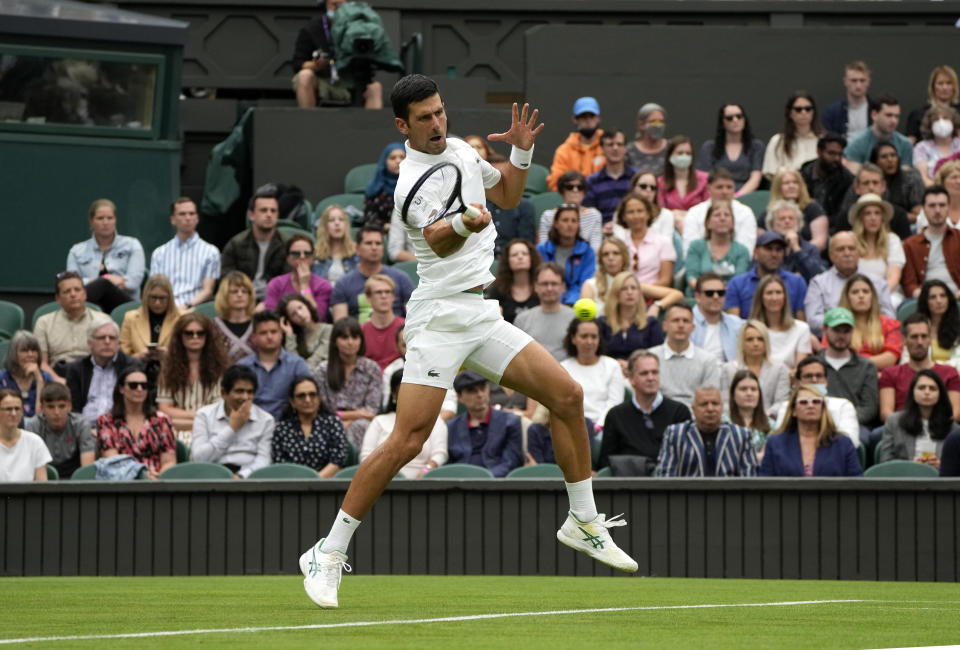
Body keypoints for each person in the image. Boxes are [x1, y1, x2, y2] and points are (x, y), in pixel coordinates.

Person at [302, 75, 637, 611]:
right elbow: (435, 236)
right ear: (402, 126)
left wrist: (522, 151)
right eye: (424, 118)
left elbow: (505, 192)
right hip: (438, 318)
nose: (437, 124)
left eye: (439, 112)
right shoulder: (410, 182)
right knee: (407, 441)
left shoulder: (458, 149)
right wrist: (463, 219)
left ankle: (583, 520)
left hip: (480, 311)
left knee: (568, 398)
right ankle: (328, 549)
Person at [598, 350, 690, 474]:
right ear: (631, 379)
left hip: (670, 485)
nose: (651, 378)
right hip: (627, 486)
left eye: (655, 372)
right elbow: (606, 462)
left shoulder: (679, 412)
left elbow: (686, 458)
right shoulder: (616, 415)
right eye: (644, 373)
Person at [291, 0, 382, 109]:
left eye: (342, 5)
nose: (338, 9)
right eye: (334, 5)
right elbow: (298, 63)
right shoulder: (312, 28)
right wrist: (316, 65)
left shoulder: (360, 27)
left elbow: (372, 63)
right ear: (325, 5)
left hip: (350, 81)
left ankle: (371, 125)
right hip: (323, 79)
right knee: (304, 76)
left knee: (375, 87)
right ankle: (307, 121)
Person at [804, 231, 895, 336]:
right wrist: (844, 325)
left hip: (872, 339)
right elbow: (813, 321)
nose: (847, 253)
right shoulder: (818, 283)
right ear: (831, 255)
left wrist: (862, 327)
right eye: (841, 249)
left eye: (851, 248)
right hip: (835, 342)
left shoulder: (877, 282)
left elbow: (890, 317)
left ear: (858, 253)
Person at [361, 368, 447, 478]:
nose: (410, 397)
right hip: (383, 481)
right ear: (393, 394)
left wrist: (426, 471)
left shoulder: (435, 420)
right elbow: (365, 457)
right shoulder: (379, 421)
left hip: (424, 483)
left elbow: (440, 455)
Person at [759, 385, 862, 477]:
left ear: (822, 409)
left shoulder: (843, 443)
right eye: (804, 402)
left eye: (816, 401)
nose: (810, 405)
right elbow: (765, 483)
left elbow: (856, 484)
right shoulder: (775, 443)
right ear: (794, 411)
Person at [191, 364, 274, 478]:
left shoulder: (266, 420)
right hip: (211, 478)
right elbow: (198, 458)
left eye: (250, 392)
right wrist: (232, 429)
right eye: (239, 391)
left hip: (249, 481)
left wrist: (241, 476)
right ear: (223, 393)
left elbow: (264, 460)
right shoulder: (204, 415)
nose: (245, 397)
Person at [656, 385, 759, 477]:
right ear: (693, 409)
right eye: (704, 404)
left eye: (715, 403)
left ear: (722, 408)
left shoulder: (741, 436)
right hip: (687, 497)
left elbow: (749, 481)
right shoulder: (675, 434)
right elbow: (665, 479)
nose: (710, 409)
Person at [96, 364, 177, 479]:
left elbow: (169, 461)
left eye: (144, 386)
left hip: (157, 481)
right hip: (121, 482)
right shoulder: (106, 421)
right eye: (133, 385)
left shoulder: (162, 420)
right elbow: (112, 460)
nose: (139, 389)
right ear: (121, 389)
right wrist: (141, 476)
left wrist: (158, 478)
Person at [66, 198, 145, 312]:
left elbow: (133, 282)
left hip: (125, 304)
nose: (105, 222)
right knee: (100, 285)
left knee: (103, 284)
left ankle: (66, 310)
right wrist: (107, 279)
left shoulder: (132, 245)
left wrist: (102, 280)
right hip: (90, 304)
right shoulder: (77, 250)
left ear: (115, 220)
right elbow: (71, 284)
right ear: (91, 221)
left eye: (109, 218)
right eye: (100, 218)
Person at [156, 312, 228, 439]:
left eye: (200, 333)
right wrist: (197, 417)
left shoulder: (219, 368)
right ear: (180, 337)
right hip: (175, 431)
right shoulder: (168, 368)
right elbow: (165, 409)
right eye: (189, 333)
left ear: (207, 336)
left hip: (209, 432)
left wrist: (183, 419)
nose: (195, 337)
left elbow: (217, 410)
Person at [878, 313, 960, 422]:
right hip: (901, 429)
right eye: (914, 337)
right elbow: (886, 413)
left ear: (930, 339)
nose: (919, 342)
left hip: (941, 429)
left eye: (924, 336)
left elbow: (956, 413)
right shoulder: (891, 373)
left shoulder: (949, 373)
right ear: (904, 340)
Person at [314, 317, 380, 449]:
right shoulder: (322, 370)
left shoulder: (372, 369)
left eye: (355, 337)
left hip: (363, 423)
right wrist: (353, 415)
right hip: (329, 422)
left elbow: (371, 411)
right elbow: (321, 410)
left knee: (359, 426)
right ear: (335, 341)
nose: (350, 342)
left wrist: (348, 418)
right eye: (344, 338)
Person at [34, 271, 113, 382]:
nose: (73, 294)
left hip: (94, 376)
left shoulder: (103, 321)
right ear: (58, 298)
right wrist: (58, 380)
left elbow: (110, 359)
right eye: (67, 291)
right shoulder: (44, 323)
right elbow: (41, 363)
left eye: (77, 290)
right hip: (57, 378)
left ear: (85, 294)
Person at [465, 135, 535, 257]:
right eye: (492, 175)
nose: (497, 181)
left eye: (501, 175)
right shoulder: (470, 201)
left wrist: (523, 150)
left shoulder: (524, 205)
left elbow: (527, 243)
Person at [237, 311, 312, 421]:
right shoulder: (242, 367)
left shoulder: (297, 365)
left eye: (274, 332)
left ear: (281, 333)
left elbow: (307, 399)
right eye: (263, 333)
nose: (269, 337)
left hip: (289, 426)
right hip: (250, 425)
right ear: (254, 337)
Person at [445, 370, 522, 476]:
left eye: (483, 388)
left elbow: (512, 462)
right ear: (459, 397)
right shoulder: (451, 427)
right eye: (472, 390)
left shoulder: (509, 422)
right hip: (459, 485)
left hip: (497, 485)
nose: (480, 394)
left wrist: (483, 478)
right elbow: (445, 464)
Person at [329, 226, 413, 323]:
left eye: (378, 243)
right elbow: (340, 326)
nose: (374, 247)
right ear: (357, 248)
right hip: (358, 336)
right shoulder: (343, 284)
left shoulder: (401, 279)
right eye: (368, 243)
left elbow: (414, 318)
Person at [878, 369, 959, 469]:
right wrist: (911, 466)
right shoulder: (894, 422)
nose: (927, 392)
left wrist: (942, 465)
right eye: (921, 388)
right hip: (904, 479)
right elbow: (885, 462)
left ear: (940, 394)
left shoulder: (952, 427)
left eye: (932, 388)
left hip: (939, 481)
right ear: (912, 392)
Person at [148, 197, 220, 309]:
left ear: (197, 218)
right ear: (173, 219)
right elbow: (154, 288)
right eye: (182, 214)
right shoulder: (159, 253)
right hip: (164, 310)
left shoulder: (211, 252)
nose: (188, 218)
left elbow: (208, 290)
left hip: (195, 310)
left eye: (192, 214)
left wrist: (186, 306)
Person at [272, 375, 348, 477]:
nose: (307, 400)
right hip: (291, 486)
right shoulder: (281, 429)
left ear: (319, 398)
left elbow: (338, 460)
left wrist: (314, 482)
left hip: (327, 485)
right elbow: (280, 465)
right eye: (301, 396)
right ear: (292, 402)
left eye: (312, 395)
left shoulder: (333, 423)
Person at [220, 188, 289, 302]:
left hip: (276, 300)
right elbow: (226, 279)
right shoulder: (236, 244)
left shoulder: (287, 244)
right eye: (263, 210)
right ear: (251, 215)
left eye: (273, 211)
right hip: (242, 298)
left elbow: (288, 281)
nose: (269, 215)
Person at [815, 307, 879, 427]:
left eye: (846, 331)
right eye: (836, 330)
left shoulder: (866, 366)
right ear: (824, 330)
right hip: (817, 423)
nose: (841, 335)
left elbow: (869, 408)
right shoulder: (813, 365)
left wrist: (843, 421)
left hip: (856, 424)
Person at [65, 320, 135, 426]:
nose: (107, 342)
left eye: (112, 338)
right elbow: (73, 408)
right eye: (101, 338)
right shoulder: (77, 369)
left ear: (118, 343)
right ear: (89, 343)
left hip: (121, 428)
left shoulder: (131, 366)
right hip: (85, 429)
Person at [649, 303, 720, 407]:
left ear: (692, 327)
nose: (681, 325)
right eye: (675, 320)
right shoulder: (650, 358)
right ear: (665, 326)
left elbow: (710, 399)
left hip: (695, 419)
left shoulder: (707, 360)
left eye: (686, 321)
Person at [777, 358, 861, 446]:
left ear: (826, 381)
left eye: (819, 376)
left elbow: (851, 441)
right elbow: (780, 440)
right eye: (808, 376)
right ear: (797, 382)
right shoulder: (787, 406)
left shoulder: (843, 406)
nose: (814, 380)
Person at [723, 231, 806, 319]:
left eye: (779, 249)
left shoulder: (797, 282)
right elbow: (733, 324)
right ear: (755, 252)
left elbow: (801, 323)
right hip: (748, 331)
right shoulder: (737, 284)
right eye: (768, 249)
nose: (774, 254)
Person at [718, 318, 790, 413]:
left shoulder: (780, 369)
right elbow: (726, 403)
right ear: (742, 343)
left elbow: (781, 403)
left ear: (766, 343)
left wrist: (763, 419)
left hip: (769, 422)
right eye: (750, 340)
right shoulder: (729, 369)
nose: (756, 344)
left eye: (760, 339)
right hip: (736, 423)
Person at [560, 318, 624, 425]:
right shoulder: (563, 368)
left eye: (594, 337)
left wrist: (599, 426)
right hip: (572, 427)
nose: (589, 342)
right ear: (573, 339)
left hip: (605, 428)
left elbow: (614, 403)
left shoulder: (612, 366)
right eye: (584, 336)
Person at [681, 168, 758, 257]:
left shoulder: (746, 213)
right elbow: (689, 250)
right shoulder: (694, 213)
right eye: (719, 187)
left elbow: (746, 250)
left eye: (729, 187)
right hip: (701, 266)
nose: (725, 192)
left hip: (736, 266)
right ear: (709, 189)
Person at [596, 271, 668, 366]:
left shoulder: (651, 324)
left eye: (633, 288)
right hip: (609, 372)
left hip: (642, 374)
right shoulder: (602, 323)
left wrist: (630, 366)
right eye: (624, 289)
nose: (629, 292)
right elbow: (596, 355)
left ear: (639, 293)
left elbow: (657, 357)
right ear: (616, 293)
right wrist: (616, 365)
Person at [25, 383, 94, 479]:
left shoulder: (81, 424)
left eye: (61, 406)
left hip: (75, 482)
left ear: (69, 406)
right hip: (44, 479)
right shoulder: (34, 426)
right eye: (50, 407)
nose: (57, 412)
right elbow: (30, 467)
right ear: (42, 408)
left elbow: (86, 472)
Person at [119, 275, 181, 382]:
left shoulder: (182, 318)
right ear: (145, 296)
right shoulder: (131, 318)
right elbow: (123, 355)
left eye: (162, 298)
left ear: (170, 298)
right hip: (138, 373)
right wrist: (138, 357)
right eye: (153, 297)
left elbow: (191, 355)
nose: (157, 303)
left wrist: (169, 355)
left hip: (173, 375)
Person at [834, 273, 901, 372]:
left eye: (865, 291)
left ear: (872, 296)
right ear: (847, 297)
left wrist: (855, 363)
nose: (861, 296)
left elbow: (891, 357)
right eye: (855, 292)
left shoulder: (890, 324)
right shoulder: (836, 326)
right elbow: (831, 355)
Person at [903, 186, 960, 300]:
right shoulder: (910, 244)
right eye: (932, 206)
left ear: (949, 207)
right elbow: (909, 283)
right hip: (925, 301)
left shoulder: (958, 238)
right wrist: (925, 297)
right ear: (923, 209)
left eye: (942, 205)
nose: (937, 210)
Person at [684, 199, 751, 294]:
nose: (722, 218)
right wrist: (708, 293)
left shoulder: (742, 251)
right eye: (717, 215)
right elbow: (692, 276)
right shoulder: (696, 246)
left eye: (727, 215)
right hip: (698, 296)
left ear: (733, 223)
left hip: (730, 297)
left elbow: (739, 281)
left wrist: (719, 294)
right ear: (707, 223)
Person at [697, 103, 765, 195]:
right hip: (716, 196)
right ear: (722, 122)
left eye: (739, 116)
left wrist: (737, 196)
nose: (735, 120)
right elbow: (704, 178)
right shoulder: (709, 147)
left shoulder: (756, 146)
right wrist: (723, 194)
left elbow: (755, 178)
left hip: (747, 197)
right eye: (729, 118)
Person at [847, 193, 904, 304]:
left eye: (877, 213)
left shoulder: (892, 239)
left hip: (887, 294)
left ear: (882, 218)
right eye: (867, 213)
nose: (873, 218)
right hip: (855, 294)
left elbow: (893, 277)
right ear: (860, 218)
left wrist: (874, 298)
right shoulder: (850, 239)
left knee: (892, 302)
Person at [514, 263, 576, 361]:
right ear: (536, 287)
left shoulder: (575, 318)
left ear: (563, 286)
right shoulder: (522, 319)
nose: (549, 288)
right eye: (544, 284)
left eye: (554, 284)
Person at [536, 204, 596, 304]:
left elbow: (585, 284)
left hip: (576, 303)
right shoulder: (542, 250)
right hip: (547, 301)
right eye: (565, 220)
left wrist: (568, 302)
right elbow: (540, 282)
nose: (570, 225)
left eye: (574, 221)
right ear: (555, 223)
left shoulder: (587, 252)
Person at [833, 163, 912, 240]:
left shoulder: (898, 215)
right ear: (856, 188)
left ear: (883, 186)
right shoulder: (845, 217)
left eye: (875, 183)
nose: (871, 187)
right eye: (865, 183)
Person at [263, 235, 333, 317]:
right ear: (288, 258)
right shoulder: (276, 284)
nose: (302, 257)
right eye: (296, 254)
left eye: (307, 253)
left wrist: (305, 285)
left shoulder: (323, 285)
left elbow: (318, 317)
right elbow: (271, 318)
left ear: (313, 257)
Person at [546, 96, 604, 192]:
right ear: (575, 119)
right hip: (574, 198)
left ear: (598, 118)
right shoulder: (564, 151)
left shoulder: (609, 146)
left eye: (592, 116)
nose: (588, 120)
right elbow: (555, 183)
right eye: (583, 116)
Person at [843, 95, 913, 174]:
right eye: (888, 115)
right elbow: (854, 178)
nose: (894, 121)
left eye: (896, 116)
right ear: (874, 115)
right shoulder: (856, 144)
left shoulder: (905, 144)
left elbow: (905, 179)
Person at [537, 171, 602, 252]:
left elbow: (596, 249)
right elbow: (543, 248)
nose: (575, 190)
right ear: (562, 191)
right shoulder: (548, 215)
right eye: (570, 187)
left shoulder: (594, 215)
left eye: (580, 187)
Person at [766, 168, 829, 252]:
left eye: (795, 182)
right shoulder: (770, 211)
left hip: (809, 256)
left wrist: (798, 252)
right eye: (786, 183)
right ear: (777, 187)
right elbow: (762, 242)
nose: (791, 186)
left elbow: (820, 242)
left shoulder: (813, 208)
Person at [762, 91, 824, 177]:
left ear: (813, 112)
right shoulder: (777, 141)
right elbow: (771, 174)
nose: (803, 112)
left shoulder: (823, 140)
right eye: (798, 109)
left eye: (808, 109)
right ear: (790, 113)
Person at [583, 128, 636, 226]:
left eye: (619, 144)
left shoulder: (637, 178)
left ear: (625, 149)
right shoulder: (591, 181)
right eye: (610, 145)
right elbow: (588, 216)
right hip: (602, 233)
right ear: (602, 149)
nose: (615, 148)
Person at [800, 133, 854, 224]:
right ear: (819, 152)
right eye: (831, 153)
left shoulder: (847, 179)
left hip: (833, 227)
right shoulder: (803, 175)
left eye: (840, 154)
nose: (836, 158)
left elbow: (844, 213)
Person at [690, 273, 744, 364]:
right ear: (697, 297)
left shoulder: (737, 324)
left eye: (721, 293)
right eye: (709, 293)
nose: (716, 297)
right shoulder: (685, 322)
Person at [484, 239, 541, 324]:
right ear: (508, 261)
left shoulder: (541, 288)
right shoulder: (498, 290)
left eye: (524, 254)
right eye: (514, 255)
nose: (520, 257)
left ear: (531, 258)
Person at [764, 200, 823, 281]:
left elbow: (815, 276)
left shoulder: (810, 249)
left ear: (798, 223)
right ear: (772, 225)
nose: (787, 221)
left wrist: (796, 248)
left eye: (791, 218)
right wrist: (792, 277)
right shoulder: (765, 248)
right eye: (782, 219)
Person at [0, 389, 51, 482]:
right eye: (8, 409)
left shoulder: (35, 442)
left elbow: (42, 487)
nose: (14, 413)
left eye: (17, 409)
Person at [0, 331, 52, 422]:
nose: (30, 354)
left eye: (34, 350)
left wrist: (39, 380)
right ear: (13, 354)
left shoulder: (45, 378)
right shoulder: (2, 378)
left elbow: (43, 418)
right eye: (24, 350)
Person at [278, 293, 333, 373]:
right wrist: (289, 335)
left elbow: (316, 360)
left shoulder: (328, 330)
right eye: (293, 314)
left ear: (307, 305)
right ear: (289, 321)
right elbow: (293, 363)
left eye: (300, 308)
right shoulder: (294, 338)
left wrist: (300, 372)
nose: (300, 314)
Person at [869, 142, 924, 220]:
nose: (890, 160)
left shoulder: (911, 179)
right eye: (884, 157)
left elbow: (919, 214)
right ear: (875, 162)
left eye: (893, 155)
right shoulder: (868, 182)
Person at [905, 65, 960, 143]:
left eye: (949, 83)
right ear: (933, 87)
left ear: (954, 87)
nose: (944, 87)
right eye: (940, 83)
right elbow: (909, 143)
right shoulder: (918, 114)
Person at [360, 274, 404, 370]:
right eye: (378, 292)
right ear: (368, 297)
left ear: (393, 296)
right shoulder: (361, 331)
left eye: (388, 292)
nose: (384, 296)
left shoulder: (406, 327)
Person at [212, 270, 257, 364]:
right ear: (224, 295)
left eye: (244, 291)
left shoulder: (259, 325)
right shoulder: (214, 327)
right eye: (234, 291)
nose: (240, 295)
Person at [658, 135, 709, 216]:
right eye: (680, 153)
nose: (684, 156)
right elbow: (660, 211)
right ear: (670, 156)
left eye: (688, 153)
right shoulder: (660, 182)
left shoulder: (705, 179)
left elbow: (708, 208)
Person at [726, 369, 773, 456]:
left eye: (754, 389)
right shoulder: (724, 422)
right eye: (743, 389)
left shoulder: (770, 424)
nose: (749, 393)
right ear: (733, 394)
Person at [822, 61, 873, 139]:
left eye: (862, 80)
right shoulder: (832, 113)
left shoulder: (877, 110)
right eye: (854, 80)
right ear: (845, 81)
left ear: (868, 82)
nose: (858, 85)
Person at [624, 169, 678, 242]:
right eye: (643, 186)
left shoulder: (666, 215)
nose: (648, 190)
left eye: (653, 188)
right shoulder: (621, 214)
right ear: (633, 188)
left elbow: (666, 244)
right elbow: (620, 244)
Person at [917, 279, 960, 367]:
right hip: (923, 376)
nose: (939, 301)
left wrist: (938, 369)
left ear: (949, 299)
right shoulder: (917, 327)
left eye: (943, 296)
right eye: (933, 297)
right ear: (925, 302)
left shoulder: (958, 327)